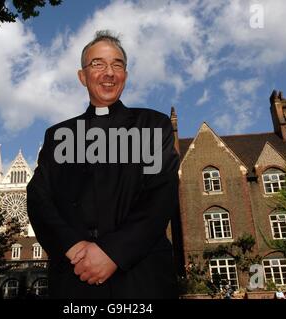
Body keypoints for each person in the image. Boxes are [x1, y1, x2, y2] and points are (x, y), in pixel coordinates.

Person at [26, 30, 180, 299]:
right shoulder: (58, 136)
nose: (109, 72)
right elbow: (38, 199)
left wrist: (113, 253)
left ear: (125, 76)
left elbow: (160, 196)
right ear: (82, 76)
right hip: (74, 279)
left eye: (117, 64)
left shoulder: (154, 125)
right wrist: (72, 247)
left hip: (142, 281)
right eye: (98, 64)